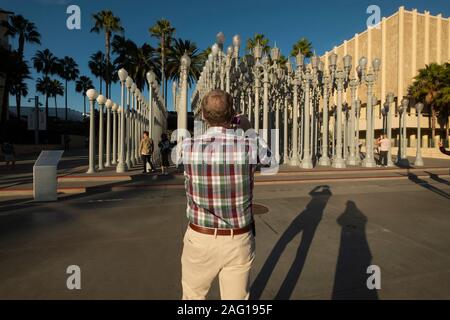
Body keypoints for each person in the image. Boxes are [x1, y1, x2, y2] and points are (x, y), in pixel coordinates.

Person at [180, 89, 270, 300]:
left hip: (200, 238)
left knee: (193, 299)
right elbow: (271, 162)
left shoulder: (188, 146)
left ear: (203, 114)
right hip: (238, 238)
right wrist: (247, 127)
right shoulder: (249, 146)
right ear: (232, 114)